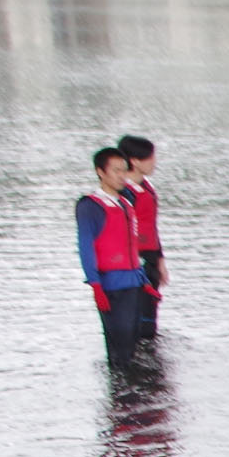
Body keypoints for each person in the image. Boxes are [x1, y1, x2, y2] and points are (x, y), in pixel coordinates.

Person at [78, 147, 146, 367]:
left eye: (124, 170)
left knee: (133, 345)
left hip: (133, 283)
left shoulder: (125, 203)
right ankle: (118, 396)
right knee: (119, 351)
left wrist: (143, 280)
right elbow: (86, 246)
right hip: (111, 287)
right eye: (115, 170)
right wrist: (96, 285)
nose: (122, 176)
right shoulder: (90, 206)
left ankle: (127, 396)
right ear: (101, 172)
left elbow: (132, 246)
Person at [116, 134, 165, 341]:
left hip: (151, 260)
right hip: (134, 264)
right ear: (134, 162)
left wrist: (160, 261)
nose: (154, 162)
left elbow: (151, 228)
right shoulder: (125, 193)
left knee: (150, 321)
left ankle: (149, 359)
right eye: (150, 158)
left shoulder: (146, 188)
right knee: (137, 322)